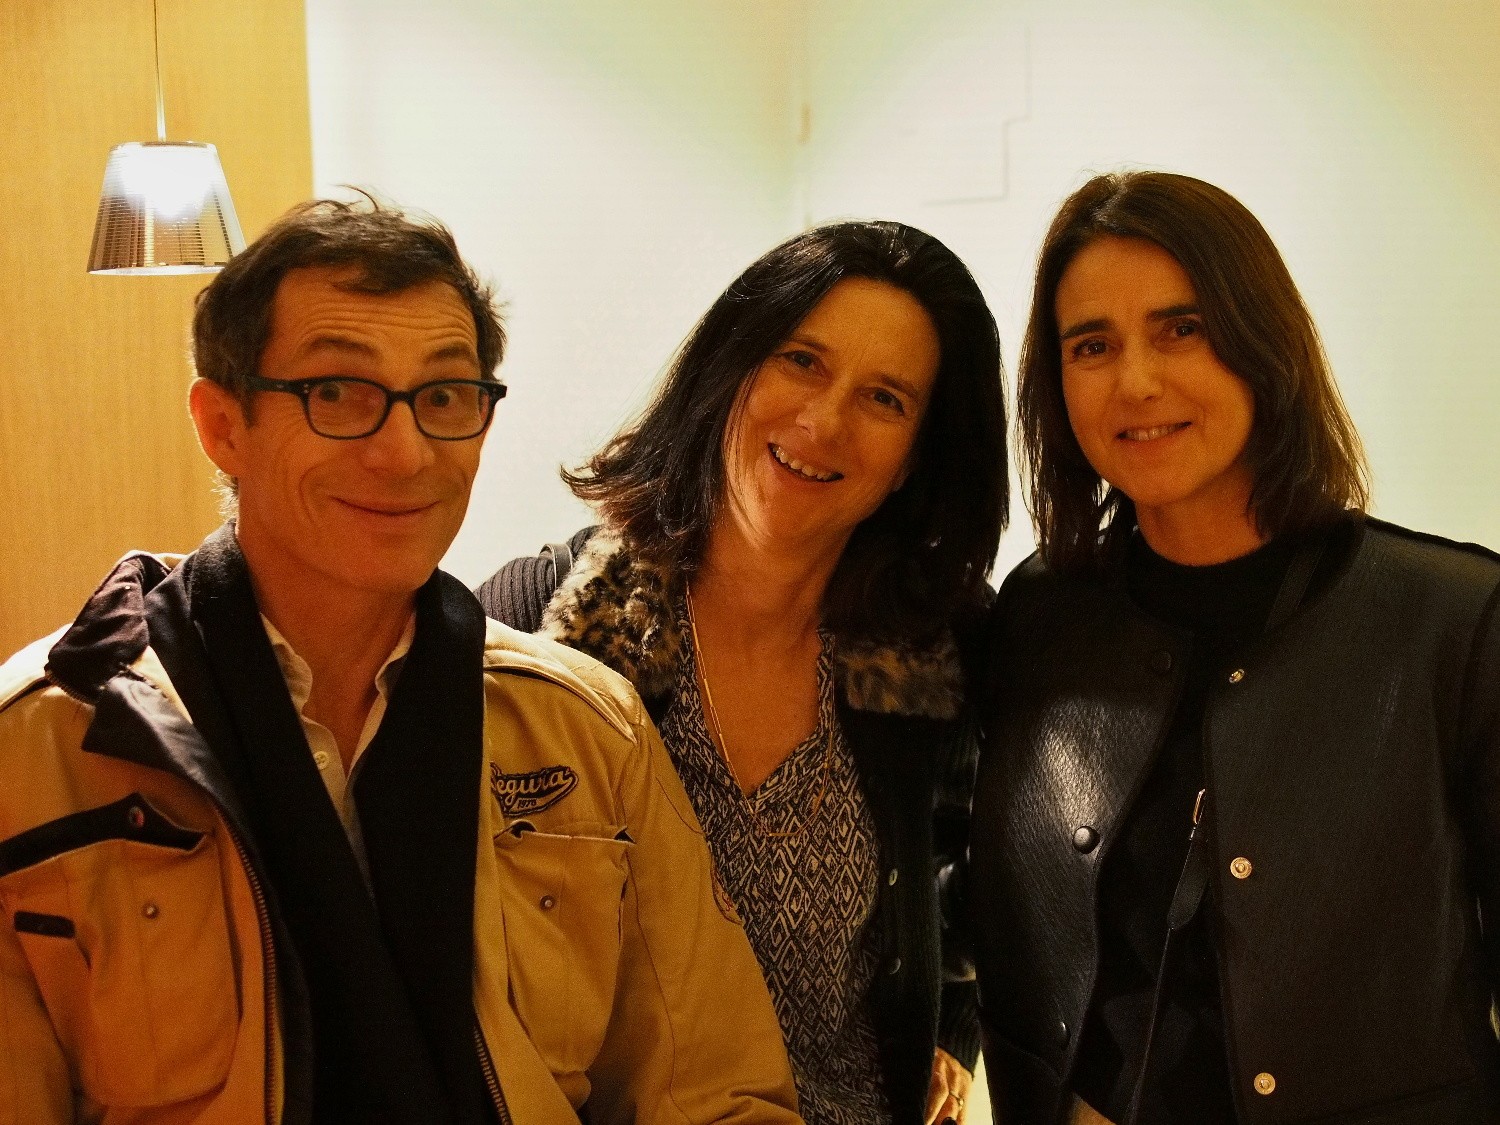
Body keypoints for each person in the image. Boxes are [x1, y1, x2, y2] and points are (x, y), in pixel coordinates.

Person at [0, 197, 800, 1125]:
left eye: (445, 397)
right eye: (337, 392)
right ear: (223, 424)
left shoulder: (583, 729)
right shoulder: (44, 748)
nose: (405, 450)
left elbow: (714, 1092)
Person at [969, 170, 1500, 1125]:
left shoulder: (1453, 620)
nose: (1137, 381)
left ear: (1263, 342)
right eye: (1092, 345)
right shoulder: (1038, 614)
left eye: (1182, 328)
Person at [477, 220, 1009, 1125]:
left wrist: (952, 1027)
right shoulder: (544, 631)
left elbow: (981, 858)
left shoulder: (932, 649)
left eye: (884, 398)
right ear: (730, 366)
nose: (824, 421)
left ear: (915, 456)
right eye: (801, 361)